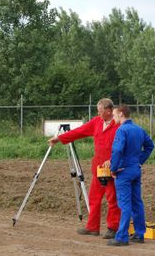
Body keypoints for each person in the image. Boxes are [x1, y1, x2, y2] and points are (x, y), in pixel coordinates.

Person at [48, 98, 121, 239]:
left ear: (109, 111)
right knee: (94, 198)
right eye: (98, 112)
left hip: (112, 169)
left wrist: (114, 162)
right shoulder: (96, 122)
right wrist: (59, 139)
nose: (99, 114)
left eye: (101, 112)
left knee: (113, 199)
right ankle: (92, 227)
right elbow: (79, 132)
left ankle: (113, 228)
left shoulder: (118, 125)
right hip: (98, 168)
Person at [106, 105, 154, 246]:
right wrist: (139, 161)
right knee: (137, 202)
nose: (113, 118)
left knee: (125, 204)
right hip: (135, 170)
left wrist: (113, 169)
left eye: (114, 115)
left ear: (121, 114)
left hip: (123, 172)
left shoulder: (121, 130)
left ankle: (121, 237)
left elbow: (117, 150)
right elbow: (150, 146)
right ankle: (139, 234)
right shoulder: (139, 129)